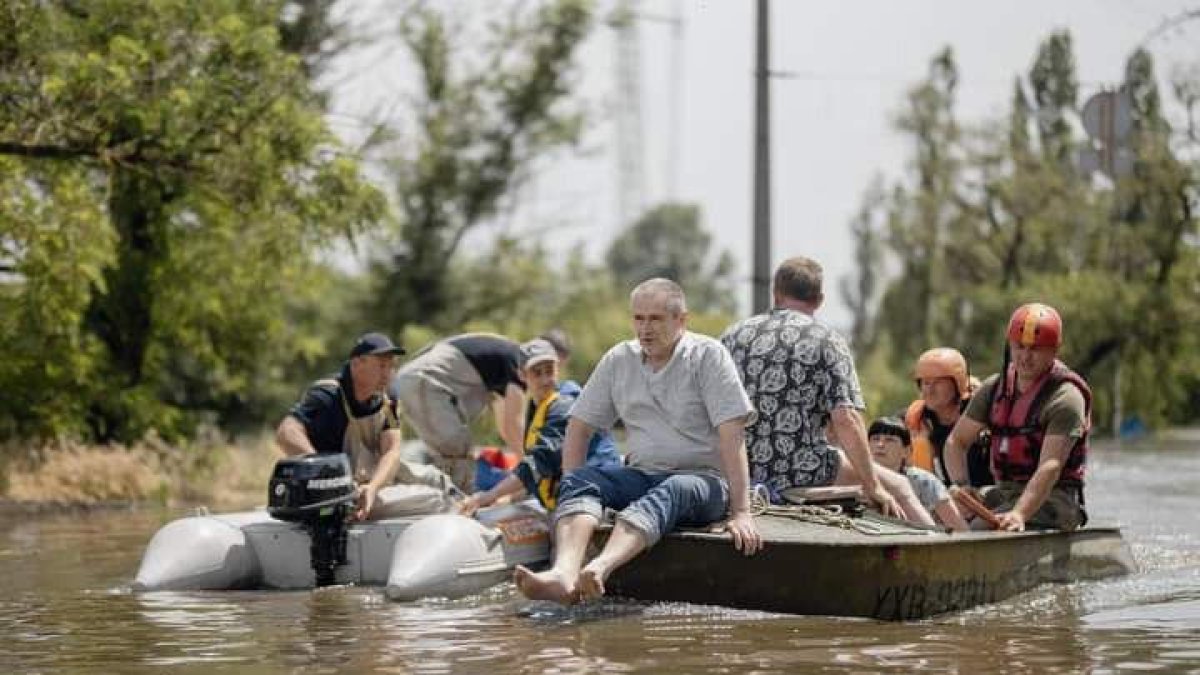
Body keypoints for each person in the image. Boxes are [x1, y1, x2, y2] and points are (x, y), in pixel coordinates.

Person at [514, 278, 762, 605]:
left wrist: (741, 512)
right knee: (582, 479)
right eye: (639, 318)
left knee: (675, 488)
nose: (646, 328)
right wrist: (572, 495)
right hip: (642, 474)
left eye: (656, 319)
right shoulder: (620, 359)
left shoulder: (708, 356)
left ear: (681, 320)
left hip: (704, 483)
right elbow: (578, 426)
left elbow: (733, 436)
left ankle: (601, 566)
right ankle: (564, 572)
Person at [719, 256, 934, 525]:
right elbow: (846, 419)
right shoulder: (827, 340)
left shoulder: (733, 335)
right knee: (899, 487)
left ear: (775, 294)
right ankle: (938, 555)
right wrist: (874, 486)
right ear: (820, 299)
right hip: (804, 469)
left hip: (738, 467)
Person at [276, 333, 457, 520]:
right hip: (341, 490)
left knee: (435, 478)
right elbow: (286, 432)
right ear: (356, 364)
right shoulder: (327, 395)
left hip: (373, 477)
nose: (388, 373)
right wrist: (323, 469)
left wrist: (373, 487)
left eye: (391, 366)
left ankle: (469, 507)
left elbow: (392, 450)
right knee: (436, 500)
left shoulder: (389, 399)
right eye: (381, 365)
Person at [943, 303, 1091, 532]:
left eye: (1035, 349)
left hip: (1055, 499)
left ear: (1054, 350)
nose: (1025, 356)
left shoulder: (1066, 398)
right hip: (1005, 491)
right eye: (1019, 347)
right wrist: (963, 486)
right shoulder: (994, 389)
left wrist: (1019, 513)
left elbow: (1051, 466)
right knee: (942, 511)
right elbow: (956, 442)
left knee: (979, 526)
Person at [458, 338, 621, 515]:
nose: (545, 380)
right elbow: (542, 475)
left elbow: (540, 463)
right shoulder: (539, 406)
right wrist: (508, 498)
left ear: (558, 370)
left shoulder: (564, 405)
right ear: (521, 375)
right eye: (537, 373)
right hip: (576, 493)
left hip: (597, 495)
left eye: (549, 371)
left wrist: (490, 495)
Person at [389, 333, 528, 492]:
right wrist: (532, 470)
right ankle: (455, 508)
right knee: (457, 453)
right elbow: (514, 425)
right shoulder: (518, 360)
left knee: (451, 456)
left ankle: (449, 502)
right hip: (426, 380)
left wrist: (524, 465)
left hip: (415, 379)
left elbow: (505, 427)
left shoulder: (500, 356)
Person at [904, 348, 994, 488]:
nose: (930, 390)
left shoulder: (985, 413)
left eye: (938, 382)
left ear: (958, 383)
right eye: (926, 383)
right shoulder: (914, 421)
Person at [868, 416, 969, 531]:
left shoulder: (924, 482)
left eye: (890, 440)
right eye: (875, 439)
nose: (880, 445)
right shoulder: (854, 478)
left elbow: (960, 529)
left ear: (906, 451)